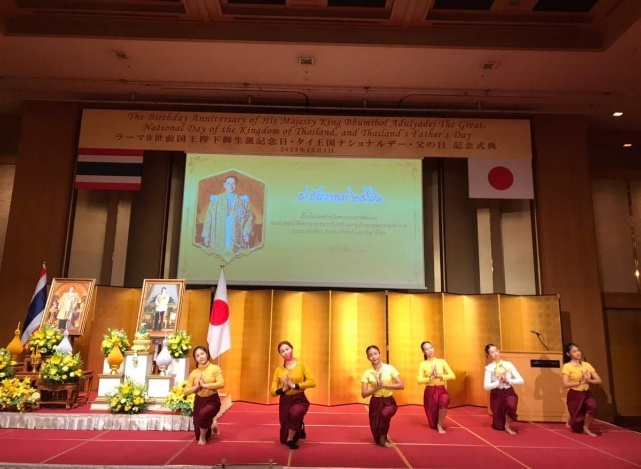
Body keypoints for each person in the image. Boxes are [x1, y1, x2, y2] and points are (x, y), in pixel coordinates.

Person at [270, 341, 316, 449]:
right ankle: (299, 425)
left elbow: (312, 382)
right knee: (283, 439)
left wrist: (294, 385)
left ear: (292, 349)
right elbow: (272, 392)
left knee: (294, 414)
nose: (285, 352)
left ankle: (290, 440)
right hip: (285, 401)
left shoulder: (302, 365)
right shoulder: (279, 370)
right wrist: (284, 389)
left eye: (287, 349)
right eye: (282, 351)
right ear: (280, 354)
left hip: (299, 399)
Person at [361, 345, 404, 447]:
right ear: (368, 358)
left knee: (385, 414)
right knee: (375, 427)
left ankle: (383, 439)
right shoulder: (367, 373)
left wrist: (385, 385)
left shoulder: (389, 368)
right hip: (375, 402)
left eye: (375, 354)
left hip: (389, 401)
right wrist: (377, 388)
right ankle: (380, 438)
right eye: (370, 355)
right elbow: (364, 394)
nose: (373, 357)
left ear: (380, 354)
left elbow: (401, 385)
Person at [201, 175, 254, 256]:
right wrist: (206, 236)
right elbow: (209, 217)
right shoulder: (216, 200)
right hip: (219, 236)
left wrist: (246, 233)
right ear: (224, 185)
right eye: (228, 184)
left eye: (233, 184)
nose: (231, 186)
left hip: (236, 237)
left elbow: (249, 217)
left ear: (237, 185)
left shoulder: (243, 201)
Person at [184, 346, 225, 445]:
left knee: (204, 414)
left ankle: (203, 438)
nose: (200, 357)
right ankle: (212, 424)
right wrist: (197, 387)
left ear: (207, 354)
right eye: (197, 356)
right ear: (195, 359)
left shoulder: (215, 368)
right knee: (197, 434)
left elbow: (221, 384)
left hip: (212, 400)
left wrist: (205, 385)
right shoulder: (194, 373)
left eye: (202, 354)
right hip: (199, 401)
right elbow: (186, 391)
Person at [562, 342, 602, 437]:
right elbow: (565, 384)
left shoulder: (587, 365)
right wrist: (580, 382)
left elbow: (599, 380)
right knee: (576, 427)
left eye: (578, 350)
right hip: (574, 394)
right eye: (574, 351)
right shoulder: (567, 366)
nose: (577, 353)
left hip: (586, 393)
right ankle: (572, 419)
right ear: (568, 354)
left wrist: (588, 380)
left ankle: (586, 427)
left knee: (593, 406)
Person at [483, 344, 524, 435]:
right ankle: (502, 424)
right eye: (492, 352)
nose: (495, 353)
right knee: (498, 426)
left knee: (511, 405)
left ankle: (507, 426)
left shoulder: (508, 365)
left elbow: (521, 381)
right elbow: (486, 386)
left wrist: (508, 380)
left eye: (496, 350)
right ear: (488, 355)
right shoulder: (489, 368)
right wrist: (498, 382)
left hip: (509, 391)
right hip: (497, 394)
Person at [417, 341, 455, 433]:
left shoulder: (441, 361)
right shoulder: (423, 364)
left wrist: (439, 376)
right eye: (427, 349)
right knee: (432, 422)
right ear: (423, 352)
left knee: (445, 400)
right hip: (430, 391)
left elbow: (453, 376)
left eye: (431, 348)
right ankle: (436, 424)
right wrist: (430, 378)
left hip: (441, 389)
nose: (430, 350)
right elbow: (419, 380)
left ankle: (439, 425)